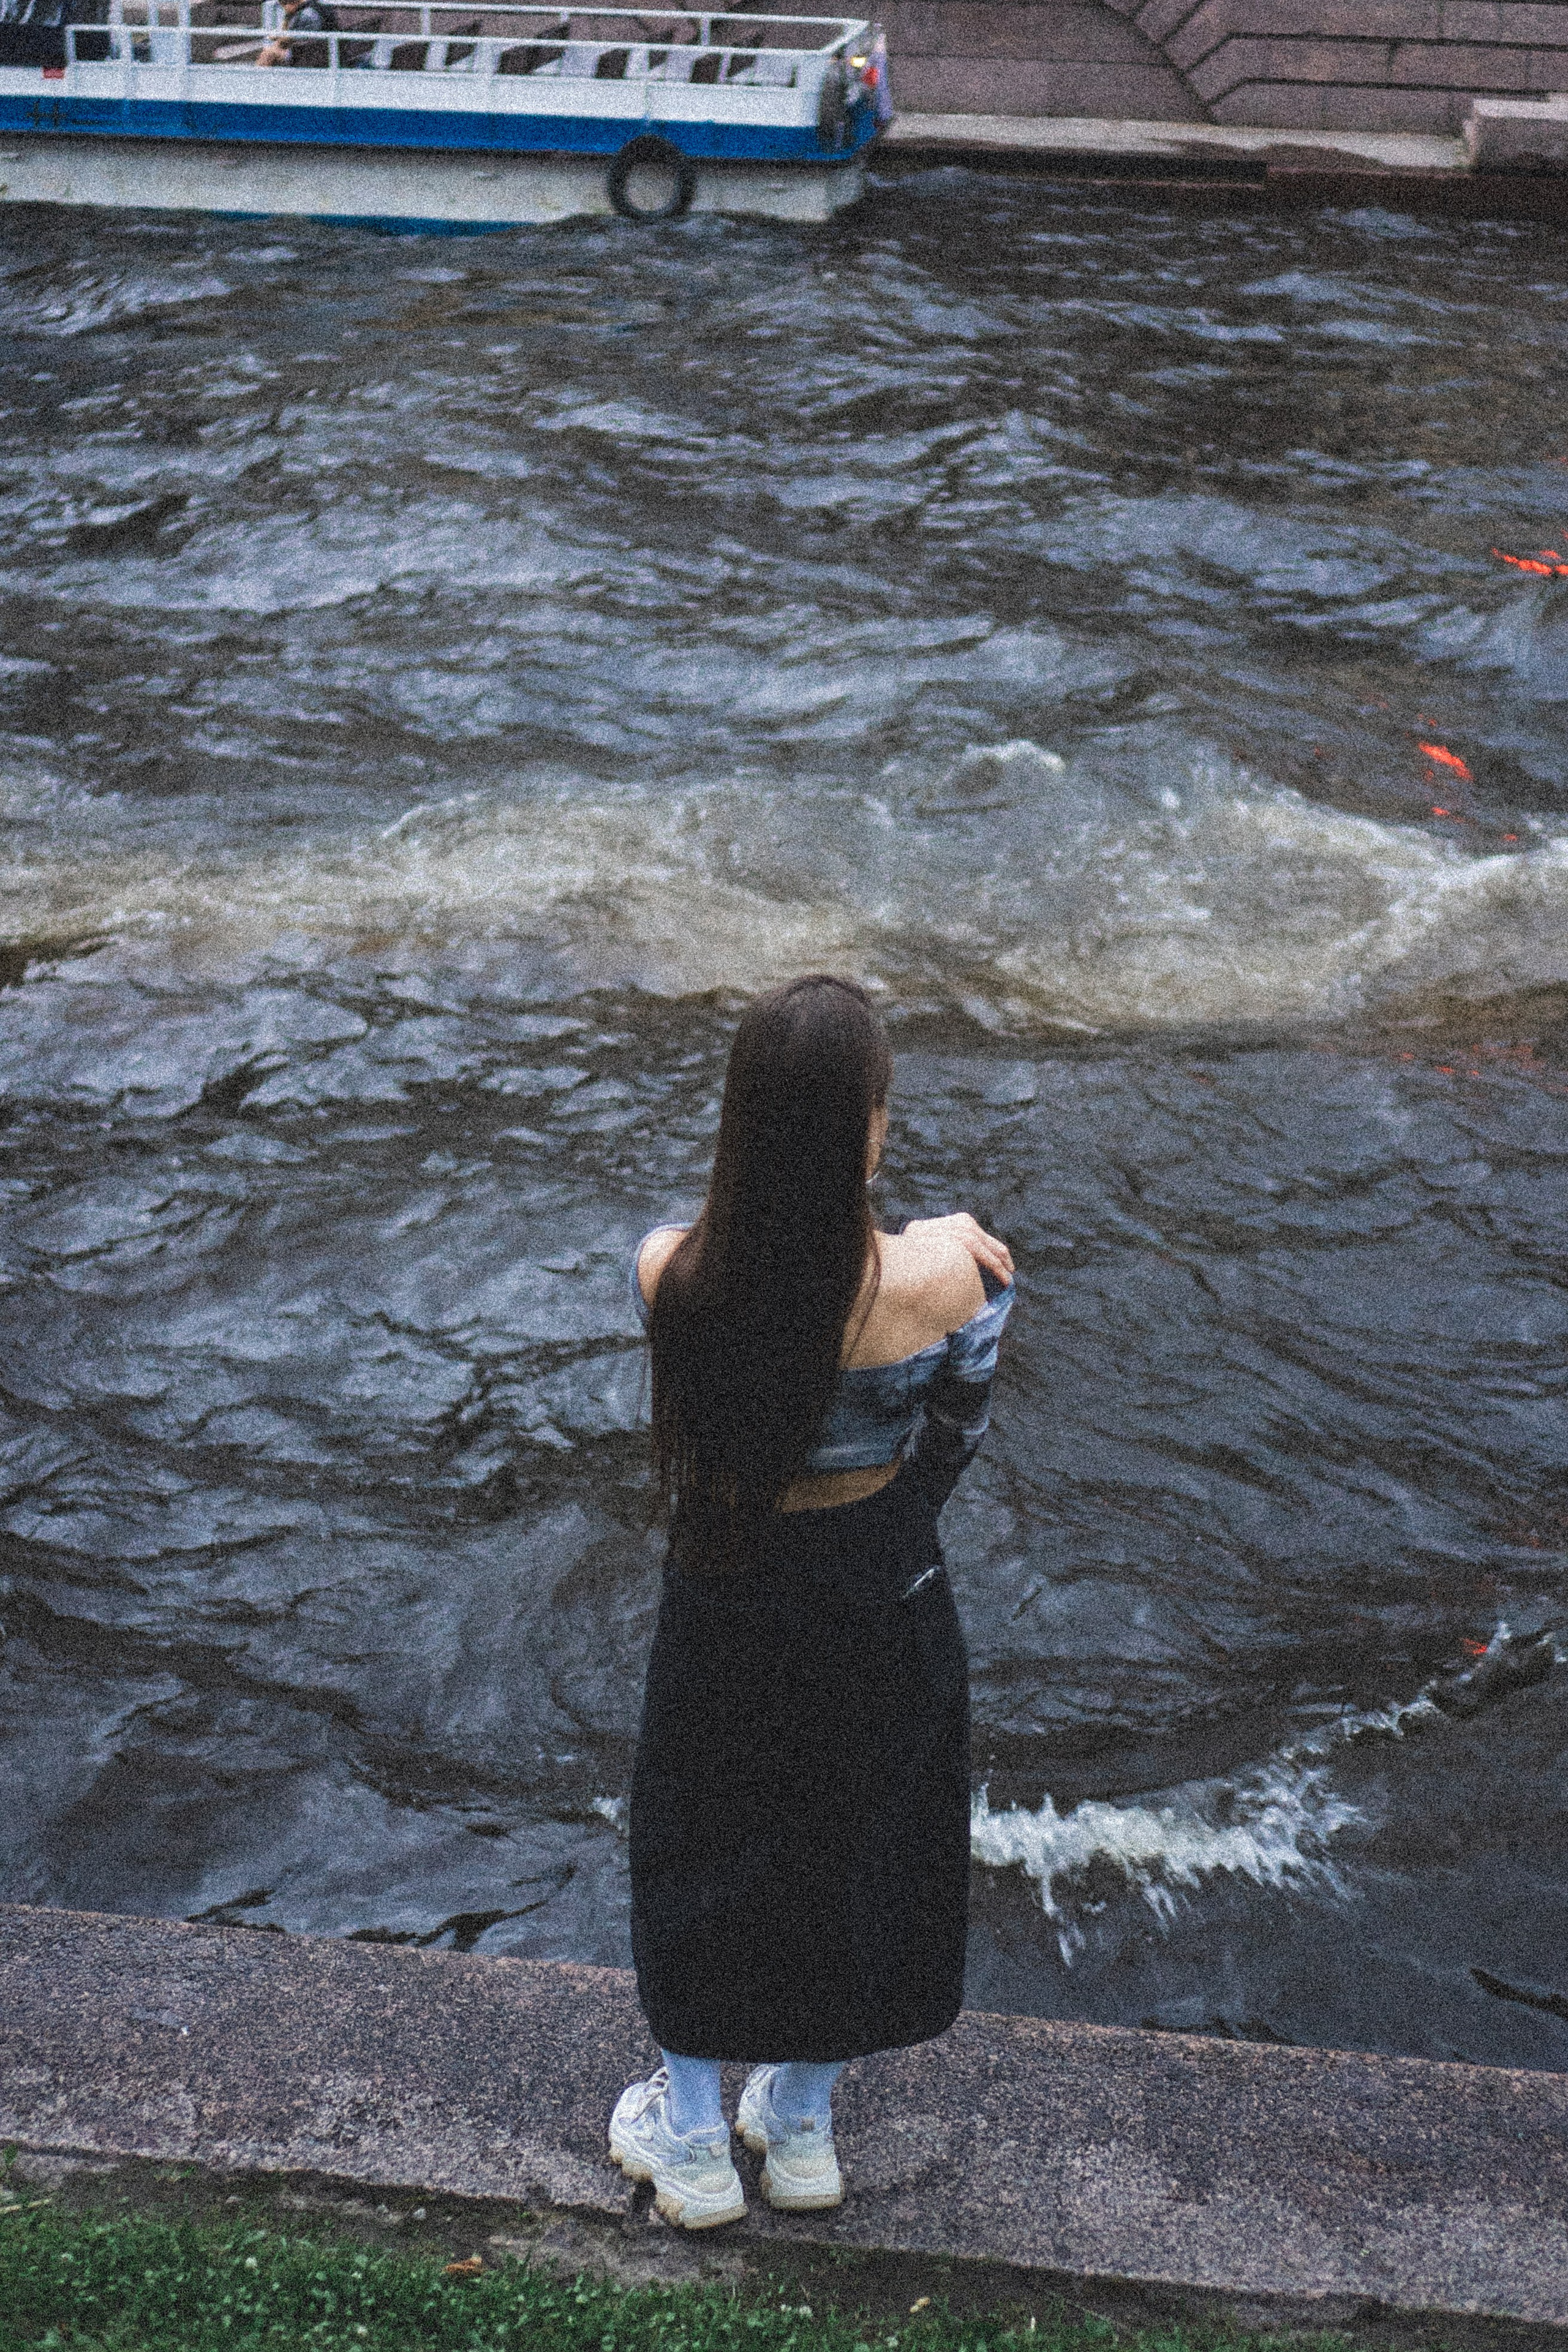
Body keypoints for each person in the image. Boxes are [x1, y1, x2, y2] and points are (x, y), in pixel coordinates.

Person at [611, 973, 1015, 2229]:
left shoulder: (668, 1273)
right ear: (870, 1128)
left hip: (728, 1589)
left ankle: (687, 2140)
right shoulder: (950, 1282)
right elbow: (956, 1431)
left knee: (698, 1842)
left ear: (739, 1123)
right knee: (864, 1840)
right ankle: (798, 2127)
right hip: (879, 1586)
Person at [257, 0, 336, 67]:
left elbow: (283, 42)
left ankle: (258, 80)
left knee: (269, 54)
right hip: (313, 48)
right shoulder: (310, 6)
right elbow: (285, 35)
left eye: (284, 5)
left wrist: (287, 17)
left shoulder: (307, 15)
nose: (285, 9)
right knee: (271, 51)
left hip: (314, 54)